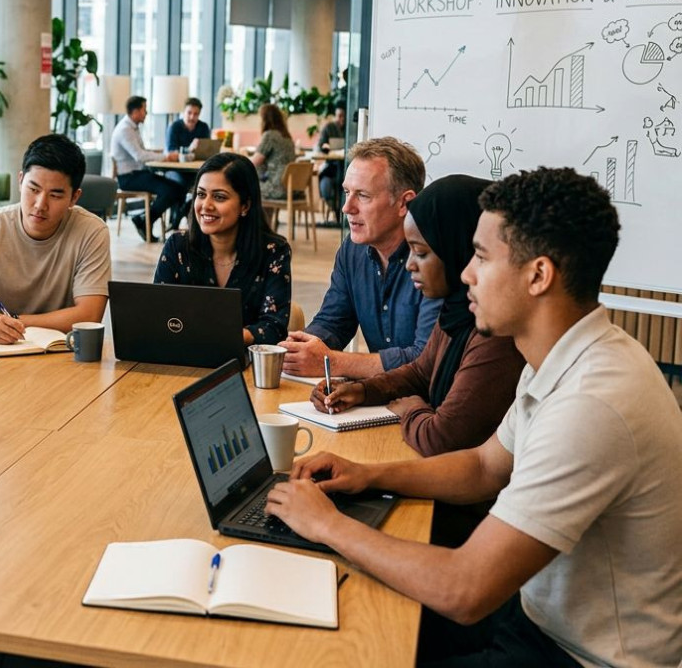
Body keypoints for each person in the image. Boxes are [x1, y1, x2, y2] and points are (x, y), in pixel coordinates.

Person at [267, 167, 682, 667]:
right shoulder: (561, 357)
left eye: (482, 257)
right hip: (534, 616)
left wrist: (329, 526)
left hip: (576, 655)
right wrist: (368, 474)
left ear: (538, 275)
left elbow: (465, 590)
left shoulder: (592, 403)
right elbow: (485, 466)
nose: (465, 272)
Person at [311, 175, 524, 457]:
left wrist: (411, 409)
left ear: (457, 248)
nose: (410, 264)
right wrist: (361, 391)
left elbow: (441, 438)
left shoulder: (495, 333)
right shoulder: (457, 311)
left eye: (421, 253)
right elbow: (421, 372)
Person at [279, 137, 441, 379]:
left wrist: (331, 362)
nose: (347, 207)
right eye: (346, 192)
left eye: (363, 195)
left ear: (404, 203)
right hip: (382, 396)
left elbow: (425, 359)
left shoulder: (437, 259)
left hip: (428, 403)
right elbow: (334, 322)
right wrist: (303, 347)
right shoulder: (352, 250)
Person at [0, 134, 111, 344]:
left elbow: (89, 315)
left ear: (74, 198)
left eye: (55, 195)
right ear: (20, 181)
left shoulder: (91, 231)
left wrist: (13, 321)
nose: (41, 204)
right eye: (33, 189)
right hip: (1, 350)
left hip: (62, 353)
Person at [153, 152, 291, 345]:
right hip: (181, 360)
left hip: (243, 366)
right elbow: (157, 316)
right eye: (201, 194)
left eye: (219, 197)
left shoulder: (273, 251)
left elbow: (274, 327)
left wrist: (220, 338)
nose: (205, 205)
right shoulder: (177, 246)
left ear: (245, 205)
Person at [110, 94, 185, 242]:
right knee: (171, 190)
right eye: (144, 109)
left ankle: (146, 220)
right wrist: (166, 157)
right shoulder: (125, 130)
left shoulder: (132, 128)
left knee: (178, 188)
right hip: (129, 178)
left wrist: (161, 154)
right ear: (136, 111)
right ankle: (144, 220)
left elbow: (141, 152)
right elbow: (139, 156)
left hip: (138, 174)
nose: (146, 113)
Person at [249, 103, 298, 201]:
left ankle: (256, 217)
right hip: (293, 189)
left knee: (245, 187)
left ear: (265, 120)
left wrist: (241, 158)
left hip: (277, 189)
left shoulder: (270, 135)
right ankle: (268, 217)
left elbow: (254, 162)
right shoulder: (287, 137)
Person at [315, 105, 346, 223]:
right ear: (335, 116)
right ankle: (335, 211)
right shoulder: (329, 128)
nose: (341, 119)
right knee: (326, 185)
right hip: (331, 166)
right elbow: (322, 145)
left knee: (341, 183)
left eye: (343, 116)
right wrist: (327, 147)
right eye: (339, 116)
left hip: (345, 167)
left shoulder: (350, 128)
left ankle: (340, 214)